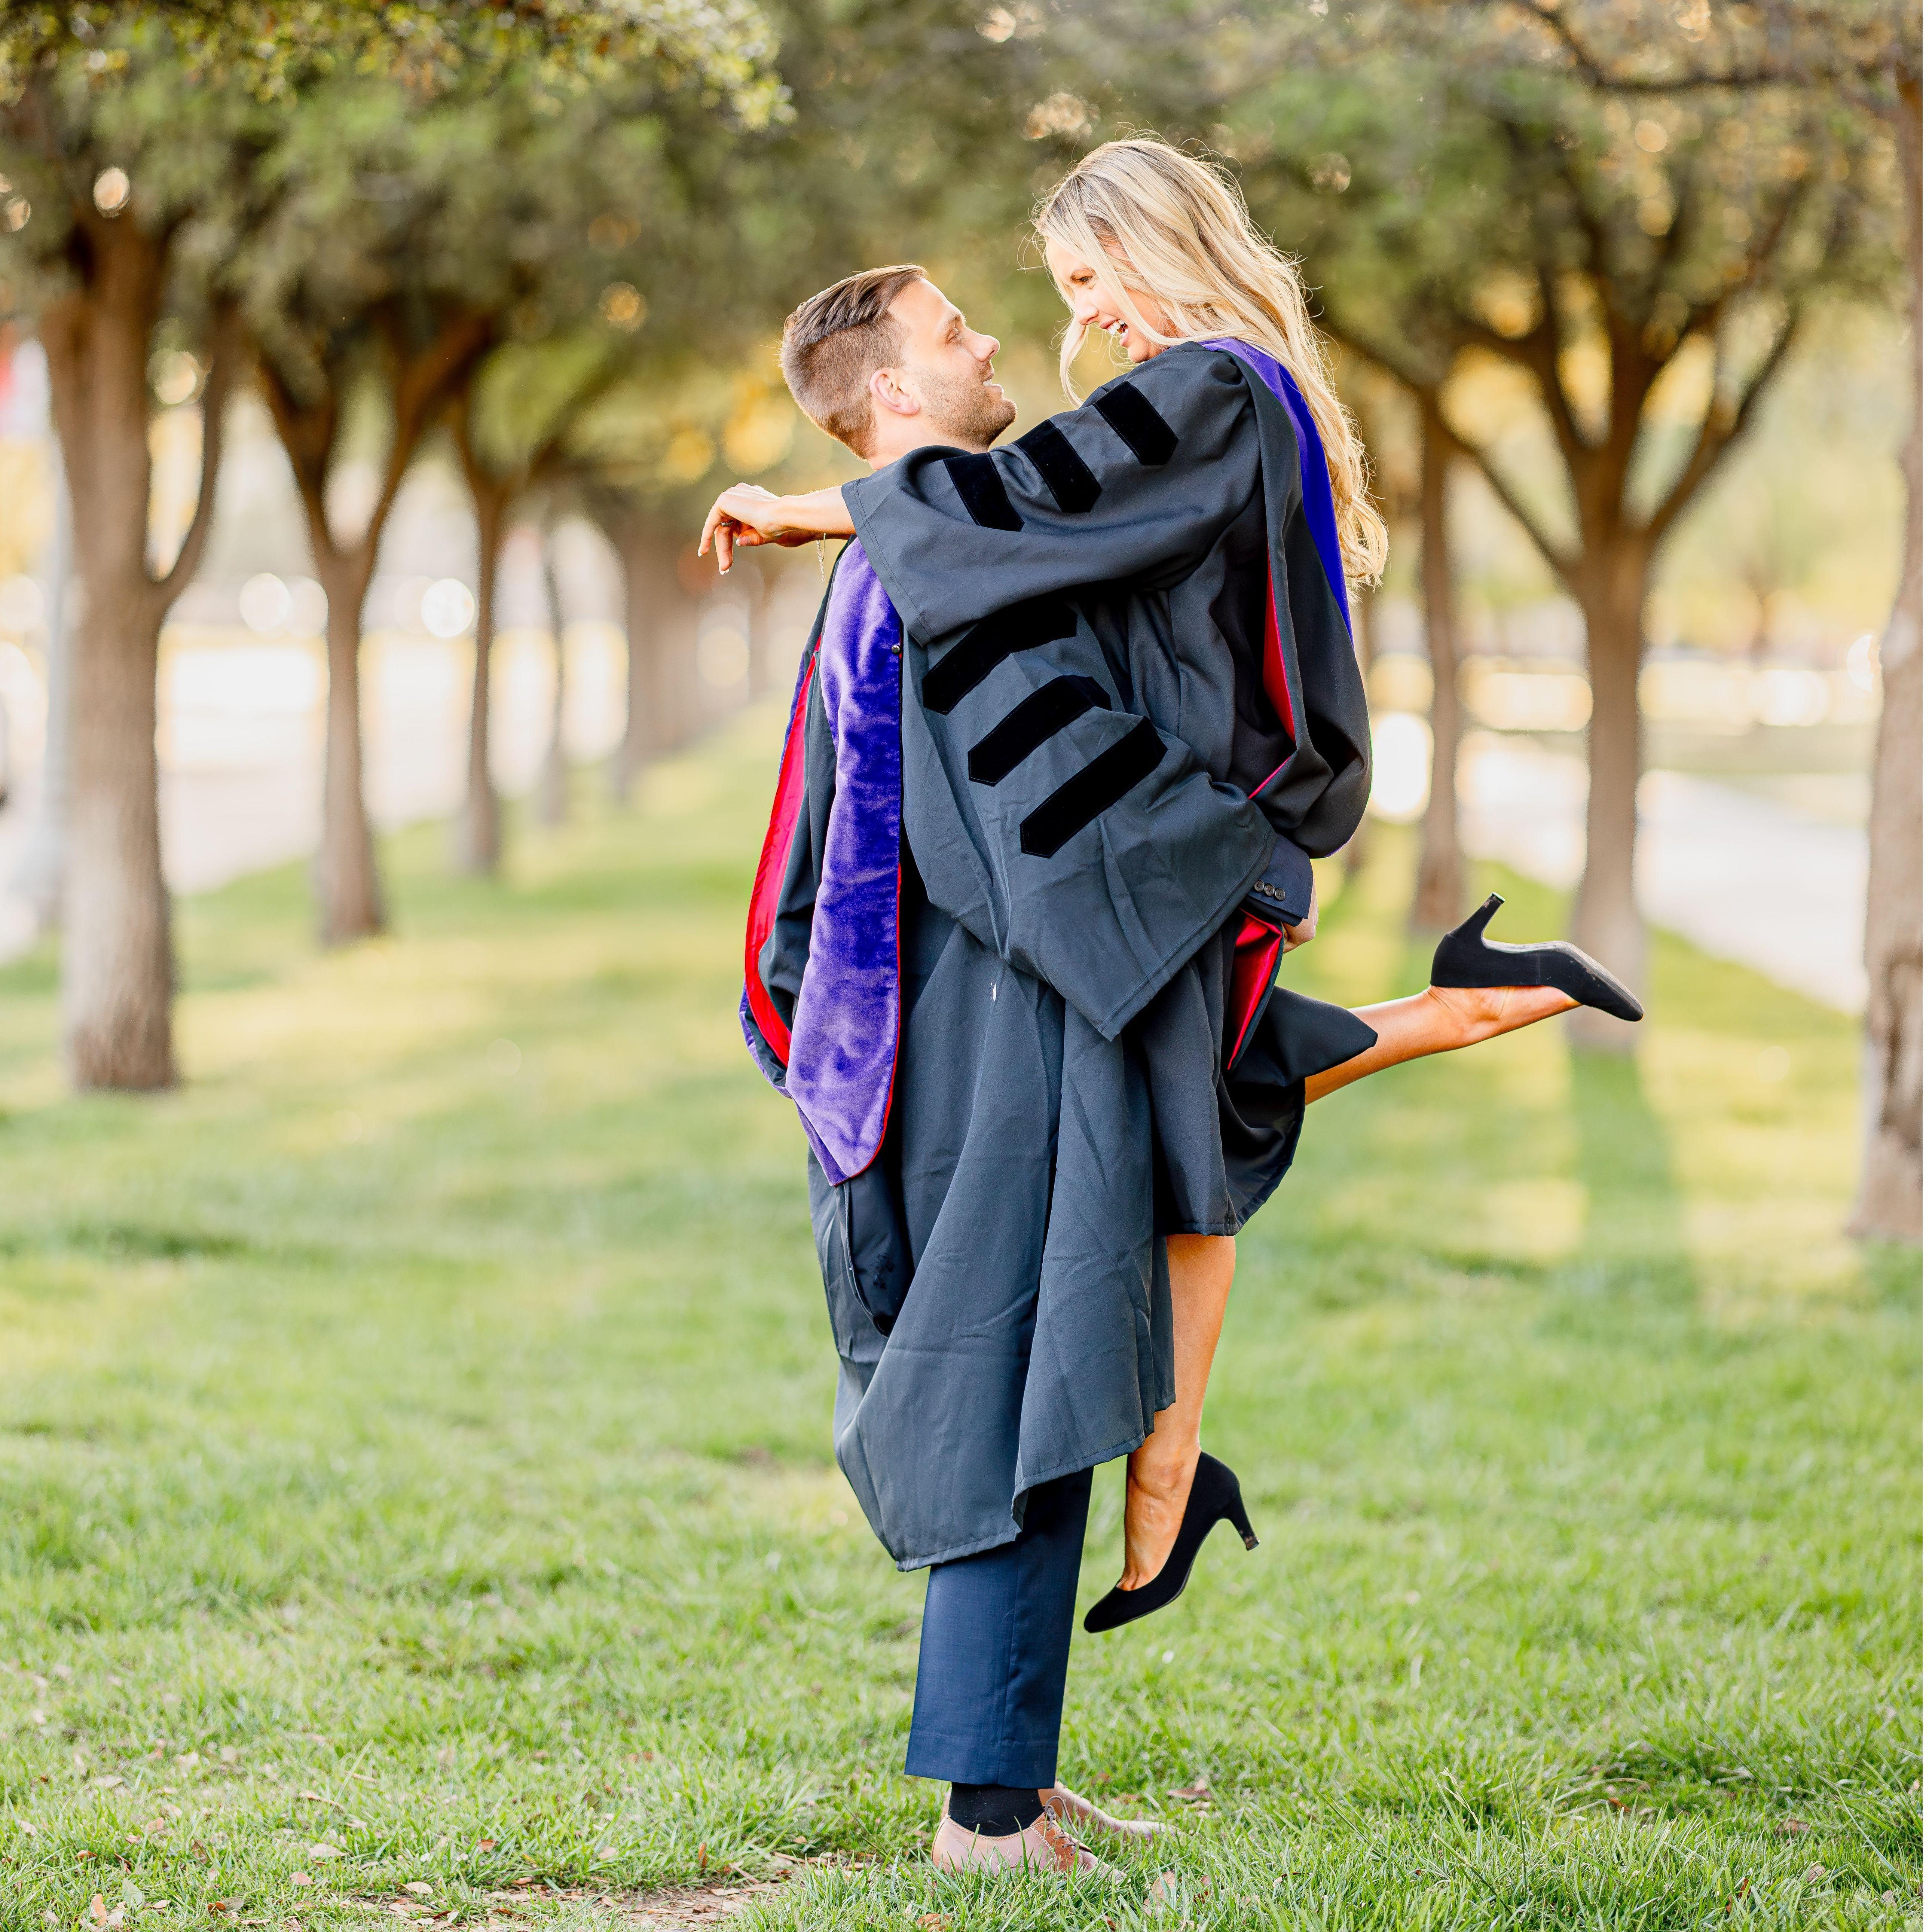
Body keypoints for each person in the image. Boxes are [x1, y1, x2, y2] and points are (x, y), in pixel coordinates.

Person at [705, 144, 1638, 1879]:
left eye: (1077, 282)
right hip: (1026, 978)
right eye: (1025, 307)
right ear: (899, 388)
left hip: (1051, 958)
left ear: (1154, 245)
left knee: (1068, 1327)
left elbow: (1052, 520)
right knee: (1029, 1348)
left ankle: (1016, 1768)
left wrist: (833, 507)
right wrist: (1208, 872)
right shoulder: (1074, 478)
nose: (1066, 329)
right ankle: (990, 1812)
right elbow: (970, 751)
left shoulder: (1207, 391)